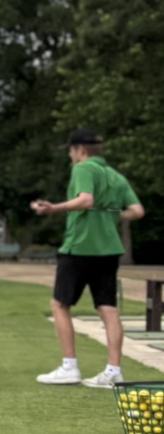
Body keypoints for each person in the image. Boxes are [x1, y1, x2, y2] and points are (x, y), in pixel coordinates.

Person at [29, 129, 147, 389]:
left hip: (80, 247)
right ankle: (114, 371)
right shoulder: (115, 175)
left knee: (60, 304)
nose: (71, 156)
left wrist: (52, 209)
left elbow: (85, 200)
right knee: (107, 308)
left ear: (80, 150)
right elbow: (137, 211)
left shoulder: (83, 169)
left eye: (71, 151)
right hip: (109, 250)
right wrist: (112, 216)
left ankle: (69, 367)